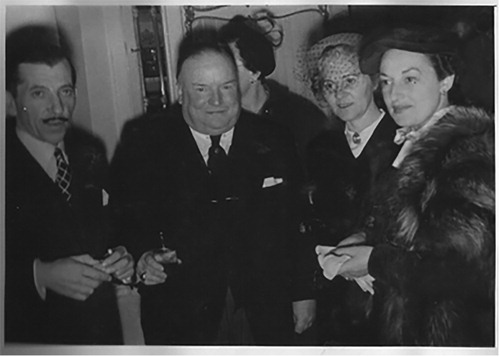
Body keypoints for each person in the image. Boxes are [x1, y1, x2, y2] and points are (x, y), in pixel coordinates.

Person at [109, 29, 316, 345]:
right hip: (181, 311)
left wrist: (304, 293)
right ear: (181, 91)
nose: (217, 101)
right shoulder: (144, 141)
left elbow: (298, 222)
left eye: (226, 87)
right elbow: (122, 221)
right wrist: (141, 258)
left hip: (264, 309)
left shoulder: (274, 139)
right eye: (202, 89)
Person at [328, 26, 495, 346]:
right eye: (387, 82)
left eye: (410, 79)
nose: (394, 94)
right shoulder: (403, 147)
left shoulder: (470, 152)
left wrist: (374, 260)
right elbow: (409, 232)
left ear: (446, 80)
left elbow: (464, 272)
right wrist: (362, 239)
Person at [4, 25, 135, 344]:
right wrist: (40, 274)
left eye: (65, 91)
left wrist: (124, 253)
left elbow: (115, 227)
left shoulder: (90, 151)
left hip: (102, 338)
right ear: (10, 103)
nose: (57, 108)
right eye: (39, 93)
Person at [304, 33, 400, 345]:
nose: (339, 94)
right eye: (329, 86)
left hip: (393, 298)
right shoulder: (320, 148)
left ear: (373, 81)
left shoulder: (403, 141)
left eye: (349, 80)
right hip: (336, 301)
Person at [219, 15, 329, 166]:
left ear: (255, 72)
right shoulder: (213, 120)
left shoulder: (303, 116)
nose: (218, 75)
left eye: (228, 66)